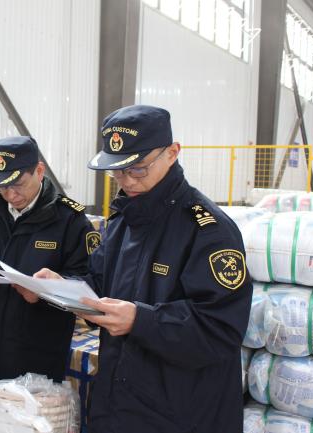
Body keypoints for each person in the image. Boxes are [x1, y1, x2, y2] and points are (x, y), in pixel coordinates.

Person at [35, 105, 252, 432]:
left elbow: (221, 329)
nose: (126, 181)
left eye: (137, 169)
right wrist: (62, 286)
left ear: (172, 153)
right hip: (119, 401)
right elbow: (99, 282)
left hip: (180, 414)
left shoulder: (208, 231)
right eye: (117, 171)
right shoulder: (123, 221)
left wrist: (141, 320)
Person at [0, 136, 99, 433]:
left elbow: (89, 283)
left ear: (39, 171)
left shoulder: (69, 221)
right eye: (1, 186)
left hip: (35, 357)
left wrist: (49, 291)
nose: (10, 195)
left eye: (18, 184)